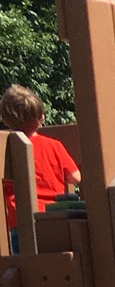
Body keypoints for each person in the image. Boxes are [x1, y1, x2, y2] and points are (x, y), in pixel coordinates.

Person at [1, 85, 82, 236]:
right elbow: (76, 178)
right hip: (52, 217)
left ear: (6, 120)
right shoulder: (54, 145)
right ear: (41, 118)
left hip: (20, 221)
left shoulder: (5, 149)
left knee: (22, 250)